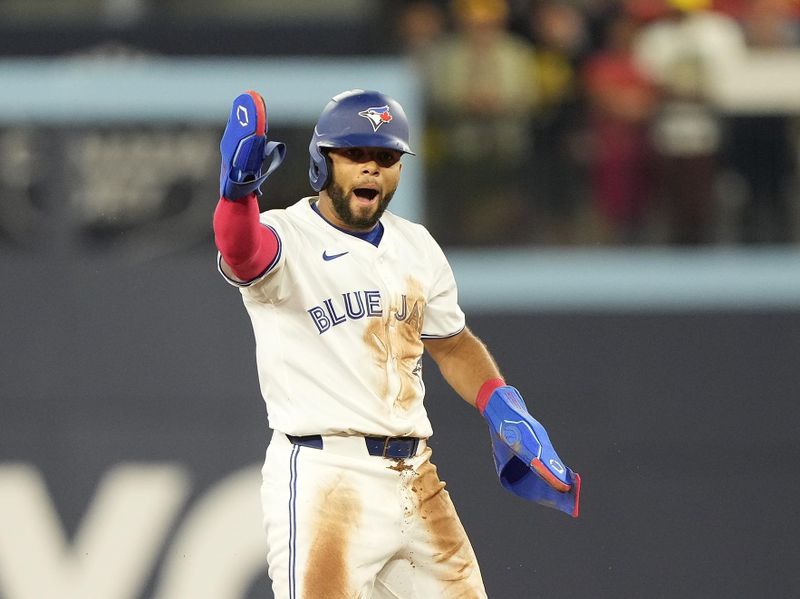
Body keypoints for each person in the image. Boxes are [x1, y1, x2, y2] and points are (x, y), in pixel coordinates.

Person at [212, 88, 580, 598]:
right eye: (355, 154)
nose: (371, 169)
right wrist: (236, 197)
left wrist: (502, 404)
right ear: (323, 162)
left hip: (415, 477)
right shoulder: (286, 233)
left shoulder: (417, 245)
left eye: (385, 157)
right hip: (326, 473)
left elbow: (451, 344)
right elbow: (244, 254)